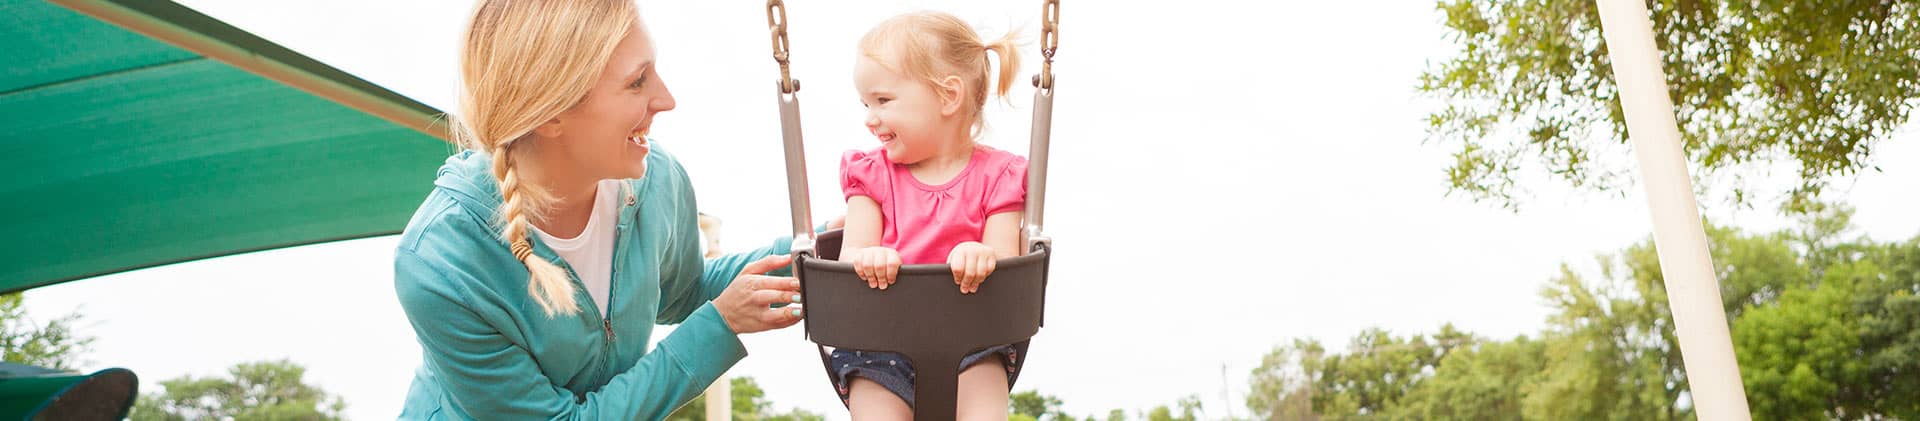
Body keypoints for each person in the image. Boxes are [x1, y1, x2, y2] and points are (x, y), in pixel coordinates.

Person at [392, 1, 825, 418]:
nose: (666, 99)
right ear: (552, 112)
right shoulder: (442, 264)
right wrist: (718, 326)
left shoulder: (656, 181)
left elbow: (685, 293)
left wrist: (819, 251)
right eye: (638, 82)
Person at [832, 10, 1029, 421]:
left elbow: (1006, 261)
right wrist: (869, 257)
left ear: (948, 96)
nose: (870, 117)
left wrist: (981, 253)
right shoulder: (870, 175)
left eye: (883, 100)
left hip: (975, 346)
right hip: (879, 348)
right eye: (866, 103)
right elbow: (851, 253)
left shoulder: (1000, 176)